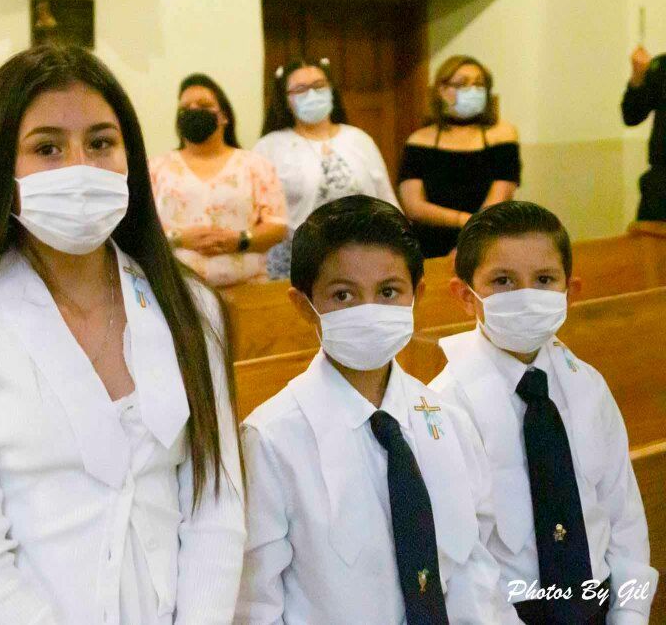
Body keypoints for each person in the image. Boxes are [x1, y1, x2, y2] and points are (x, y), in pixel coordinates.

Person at [0, 45, 246, 623]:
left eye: (101, 143)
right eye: (46, 148)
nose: (80, 168)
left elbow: (216, 502)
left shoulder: (191, 307)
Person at [236, 195, 519, 624]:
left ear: (415, 295)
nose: (369, 311)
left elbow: (477, 569)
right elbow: (256, 605)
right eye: (344, 294)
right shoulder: (272, 440)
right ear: (303, 304)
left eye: (388, 292)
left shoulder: (446, 419)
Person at [431, 201, 658, 623]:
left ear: (569, 291)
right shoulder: (446, 405)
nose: (526, 295)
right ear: (465, 296)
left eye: (543, 280)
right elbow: (463, 563)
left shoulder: (587, 385)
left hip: (599, 603)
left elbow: (622, 517)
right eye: (503, 281)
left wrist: (628, 613)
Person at [254, 58, 399, 279]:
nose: (312, 95)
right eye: (301, 89)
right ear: (285, 100)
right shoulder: (270, 147)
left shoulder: (359, 139)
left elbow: (387, 199)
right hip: (298, 264)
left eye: (319, 86)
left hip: (364, 258)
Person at [149, 73, 286, 287]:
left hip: (247, 291)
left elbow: (278, 226)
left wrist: (240, 240)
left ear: (224, 116)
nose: (193, 111)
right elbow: (140, 227)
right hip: (176, 293)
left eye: (203, 104)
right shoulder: (156, 168)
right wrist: (179, 239)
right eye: (185, 108)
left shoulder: (255, 165)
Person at [399, 55, 520, 258]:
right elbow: (413, 206)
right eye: (462, 84)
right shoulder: (418, 140)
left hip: (486, 240)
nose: (472, 90)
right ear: (441, 90)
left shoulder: (503, 134)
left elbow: (500, 197)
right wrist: (464, 220)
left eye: (479, 84)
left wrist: (470, 240)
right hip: (430, 246)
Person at [622, 45, 666, 220]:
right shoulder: (661, 66)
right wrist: (638, 75)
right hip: (660, 185)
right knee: (647, 243)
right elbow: (631, 116)